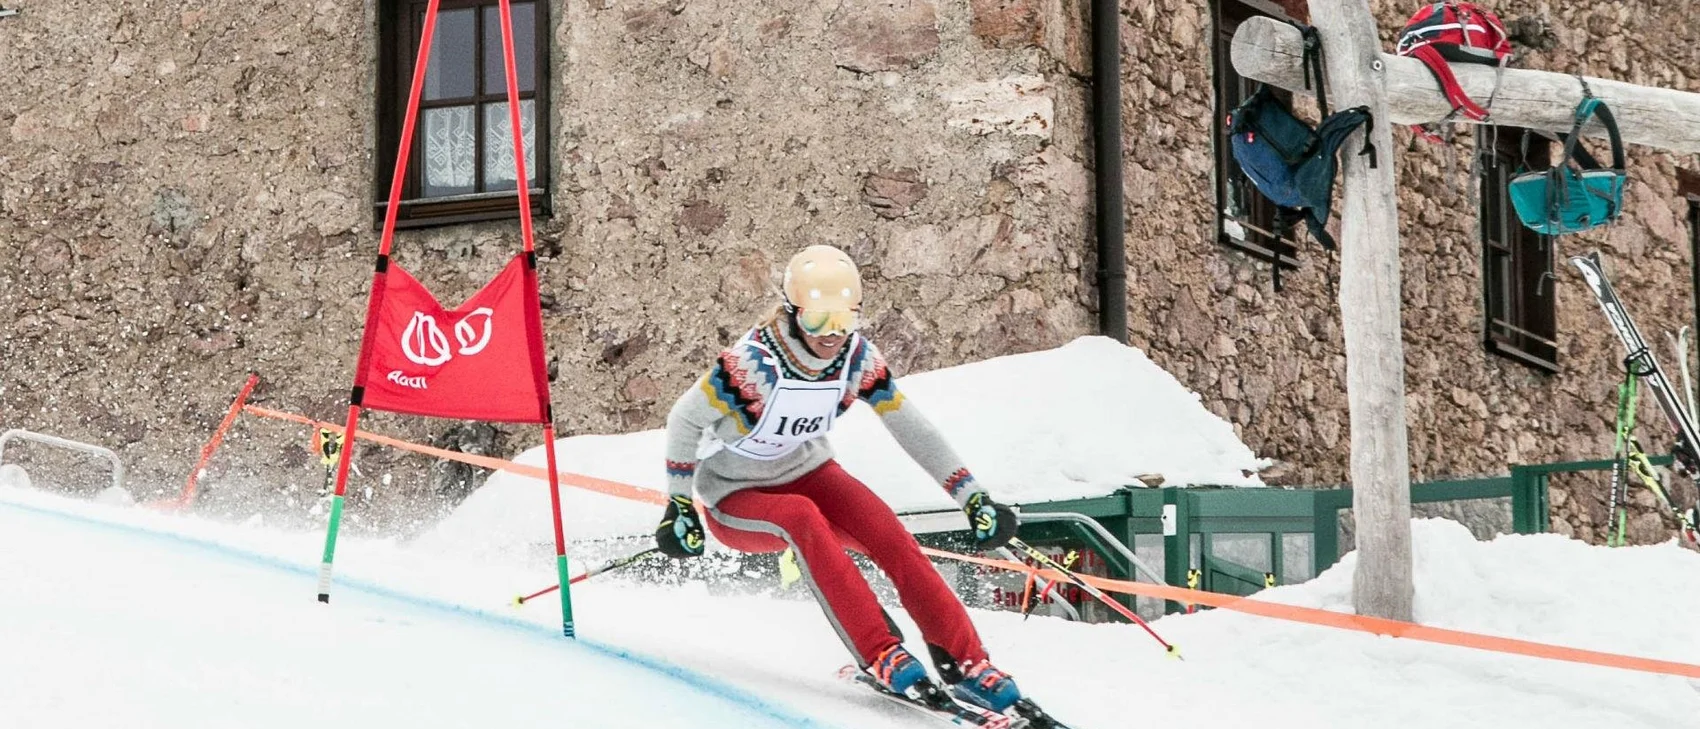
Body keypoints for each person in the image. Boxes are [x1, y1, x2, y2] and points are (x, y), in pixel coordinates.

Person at [654, 244, 1026, 712]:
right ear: (793, 314)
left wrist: (972, 497)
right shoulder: (753, 365)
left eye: (844, 320)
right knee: (801, 516)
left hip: (810, 472)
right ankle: (880, 652)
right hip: (736, 495)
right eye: (817, 321)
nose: (831, 334)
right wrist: (679, 504)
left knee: (886, 529)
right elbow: (684, 419)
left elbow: (912, 427)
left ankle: (965, 659)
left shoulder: (855, 359)